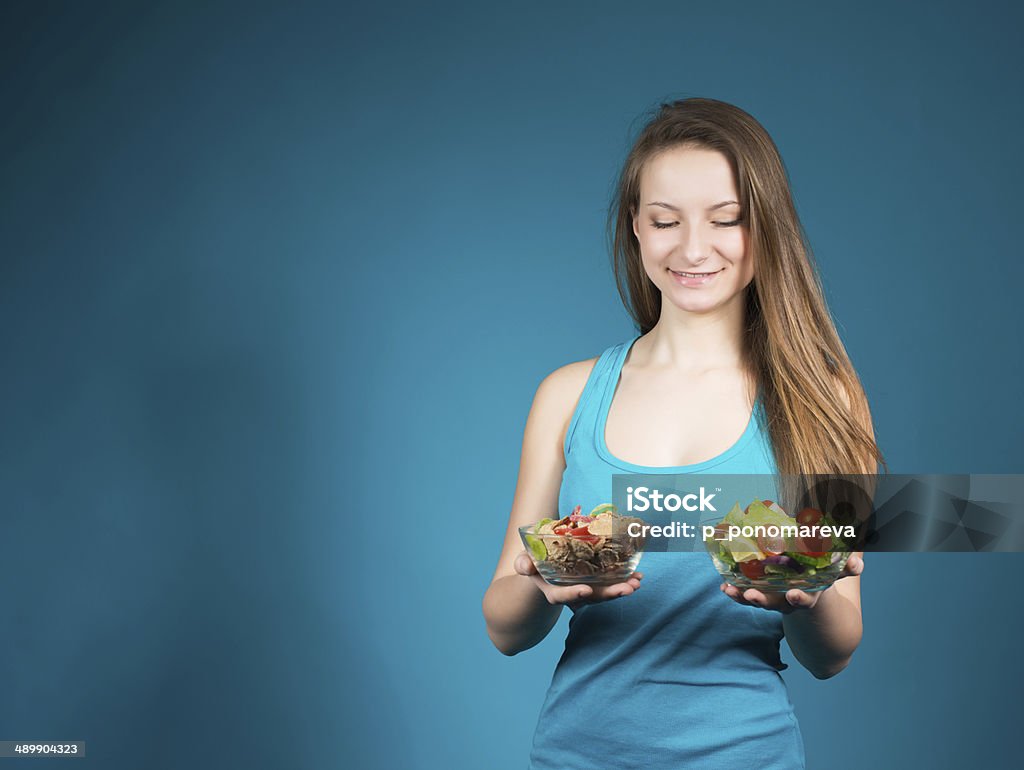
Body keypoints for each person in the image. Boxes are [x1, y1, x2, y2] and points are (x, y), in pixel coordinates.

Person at [481, 97, 885, 769]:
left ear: (767, 230)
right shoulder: (567, 394)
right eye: (665, 220)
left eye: (726, 220)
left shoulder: (828, 399)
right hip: (576, 756)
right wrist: (540, 582)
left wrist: (805, 596)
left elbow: (834, 652)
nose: (693, 248)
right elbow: (504, 626)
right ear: (635, 229)